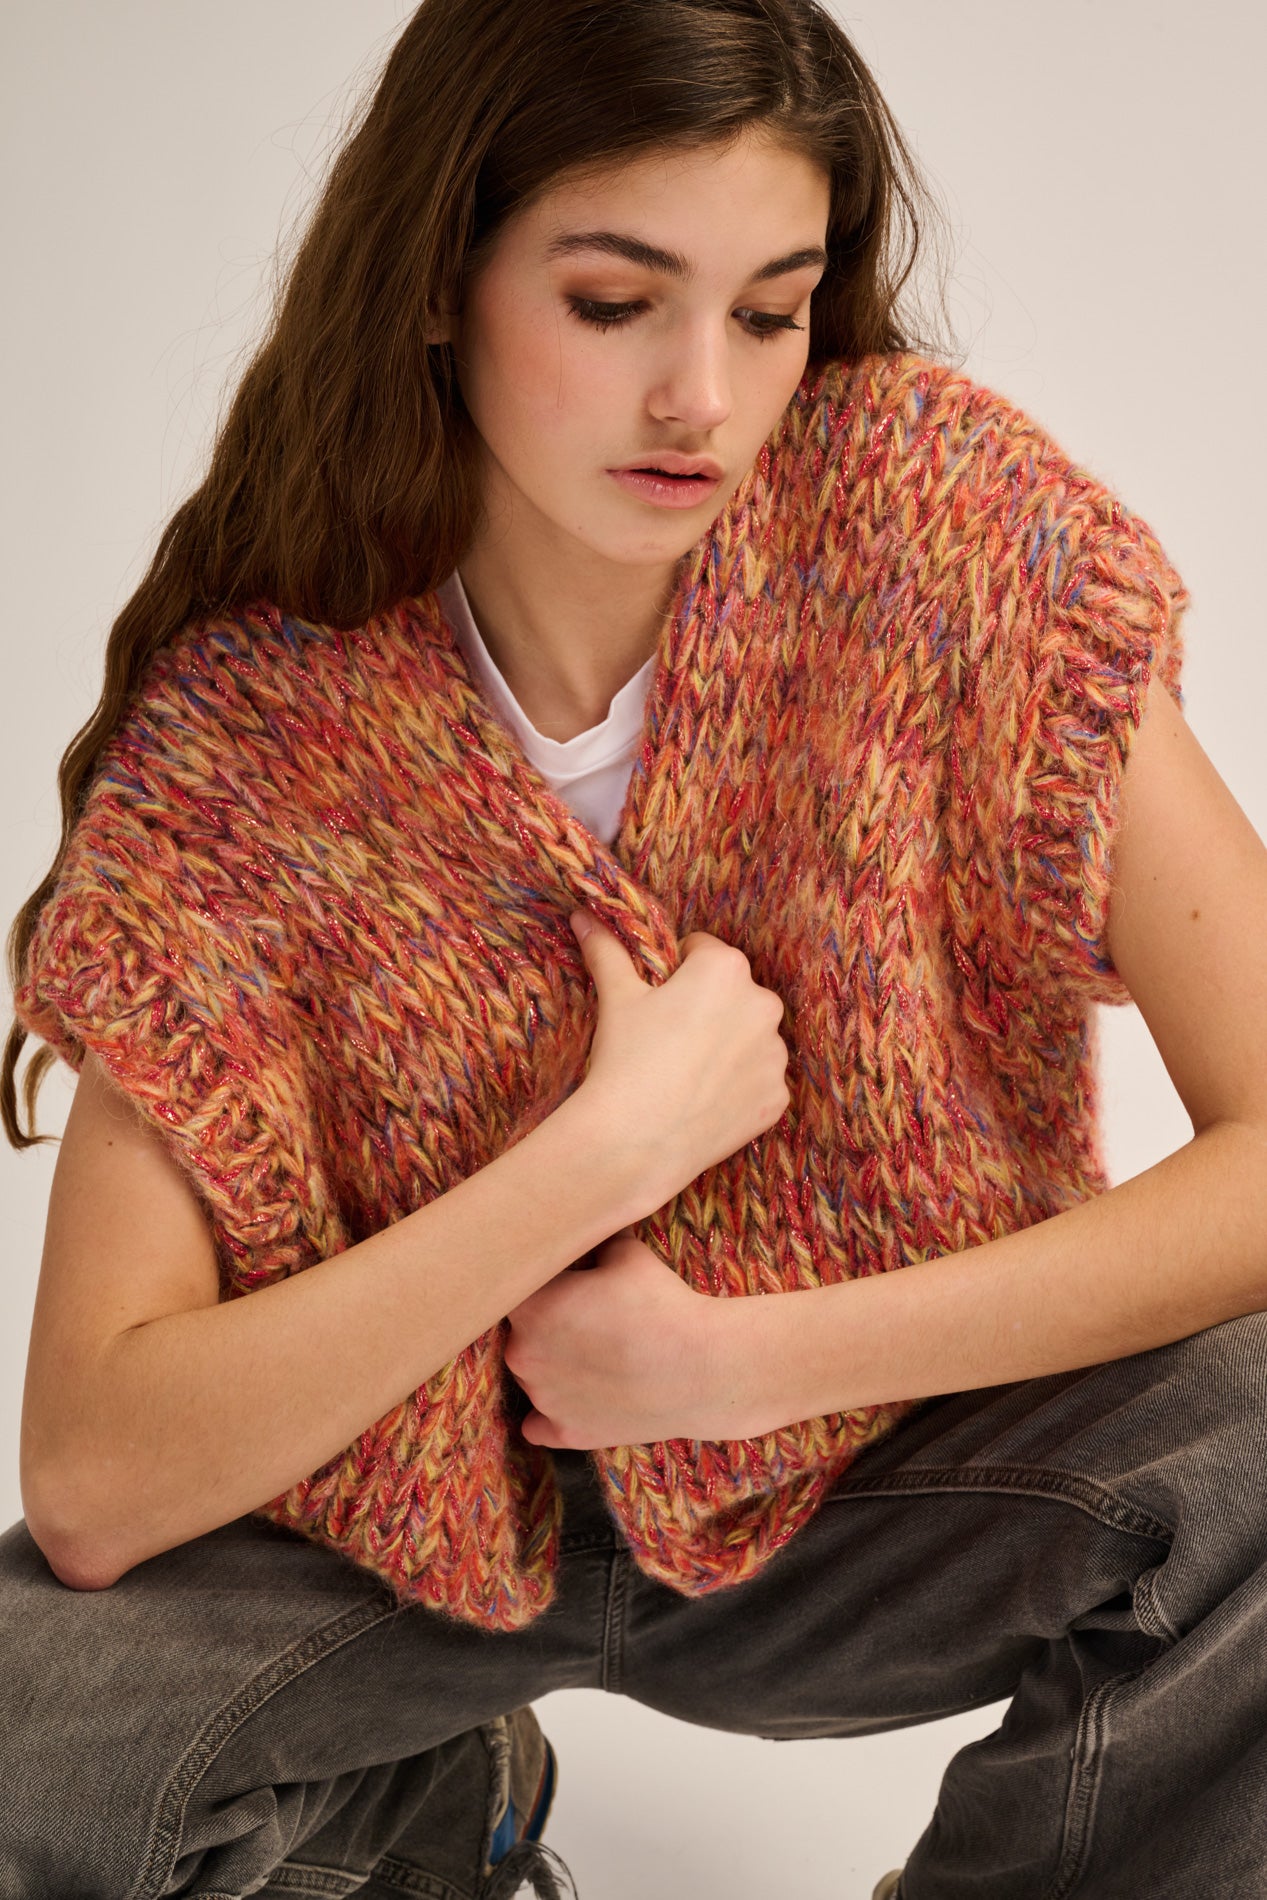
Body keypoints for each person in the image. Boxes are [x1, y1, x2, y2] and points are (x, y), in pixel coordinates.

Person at [2, 1, 1266, 1895]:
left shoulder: (955, 546)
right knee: (26, 1735)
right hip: (378, 1535)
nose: (701, 397)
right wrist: (601, 1156)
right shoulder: (256, 736)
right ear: (440, 284)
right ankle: (433, 1815)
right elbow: (96, 1480)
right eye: (613, 304)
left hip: (878, 1476)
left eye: (769, 312)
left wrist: (739, 1364)